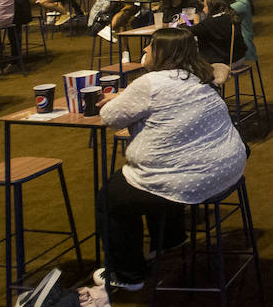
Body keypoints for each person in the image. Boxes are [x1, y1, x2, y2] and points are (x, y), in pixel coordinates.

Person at [95, 27, 248, 290]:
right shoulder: (200, 75)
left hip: (194, 177)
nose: (144, 50)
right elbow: (220, 70)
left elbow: (110, 116)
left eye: (150, 46)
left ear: (162, 52)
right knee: (165, 167)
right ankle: (170, 239)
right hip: (228, 164)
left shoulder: (150, 83)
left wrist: (120, 98)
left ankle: (127, 274)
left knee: (113, 195)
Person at [189, 0, 247, 86]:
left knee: (192, 68)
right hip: (239, 58)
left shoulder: (209, 23)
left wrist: (192, 20)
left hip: (226, 63)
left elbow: (190, 31)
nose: (203, 10)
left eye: (205, 6)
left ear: (212, 7)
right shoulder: (231, 16)